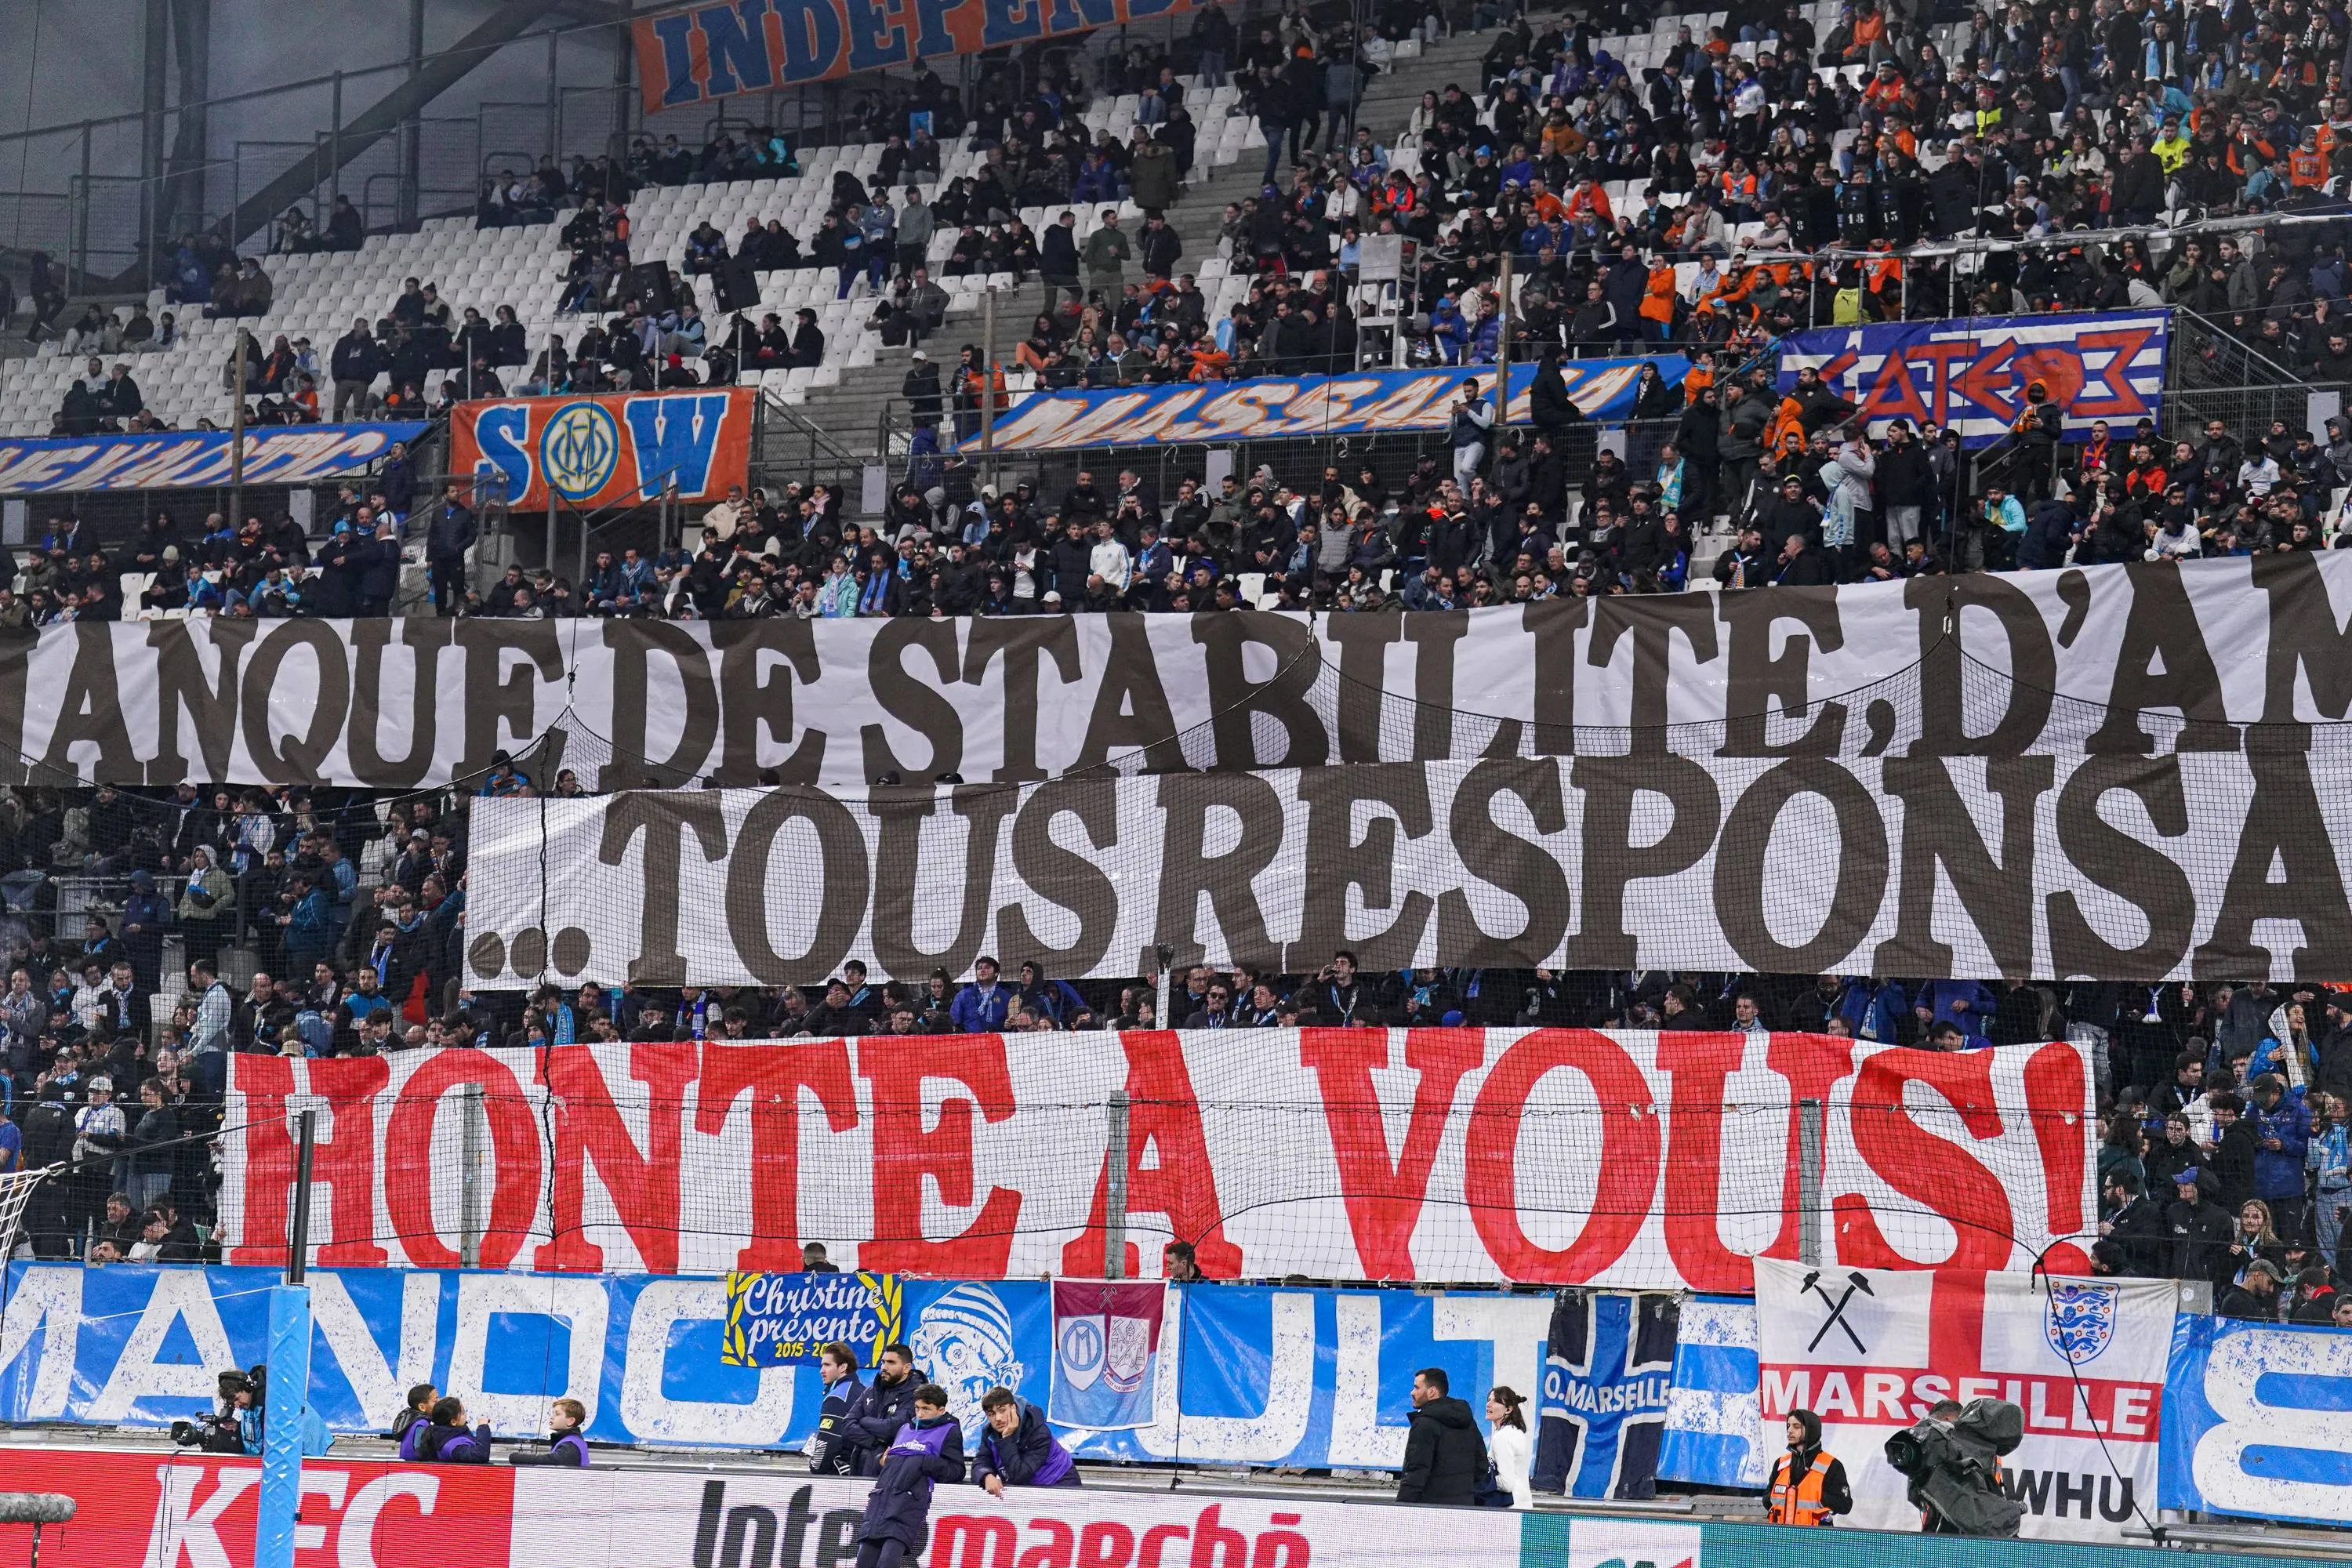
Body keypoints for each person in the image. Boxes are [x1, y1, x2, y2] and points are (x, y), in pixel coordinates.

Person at [853, 1384, 965, 1568]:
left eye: (926, 1409)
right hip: (881, 1499)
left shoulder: (949, 1431)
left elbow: (956, 1470)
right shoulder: (905, 1428)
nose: (920, 1414)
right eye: (917, 1408)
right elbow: (888, 1460)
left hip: (909, 1505)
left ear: (941, 1410)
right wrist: (881, 1460)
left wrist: (924, 1461)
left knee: (888, 1562)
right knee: (864, 1560)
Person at [1397, 1367, 1485, 1505]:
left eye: (1417, 1388)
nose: (1412, 1392)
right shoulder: (1469, 1422)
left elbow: (1416, 1471)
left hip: (1432, 1508)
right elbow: (1481, 1465)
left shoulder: (1424, 1423)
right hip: (1465, 1507)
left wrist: (1402, 1506)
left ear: (1432, 1391)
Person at [971, 1385, 1080, 1490]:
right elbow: (980, 1462)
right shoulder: (989, 1433)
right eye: (991, 1414)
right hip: (1029, 1489)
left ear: (1013, 1408)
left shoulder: (1039, 1433)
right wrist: (986, 1476)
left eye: (1002, 1410)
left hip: (1061, 1483)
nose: (998, 1418)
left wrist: (1006, 1437)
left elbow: (1019, 1476)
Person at [841, 1341, 920, 1475]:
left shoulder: (917, 1396)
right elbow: (846, 1425)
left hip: (893, 1472)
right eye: (883, 1362)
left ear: (907, 1368)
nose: (884, 1367)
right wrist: (874, 1442)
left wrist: (864, 1421)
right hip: (860, 1469)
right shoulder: (870, 1392)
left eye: (891, 1363)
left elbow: (893, 1429)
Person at [1766, 1407, 1852, 1526]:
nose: (1789, 1431)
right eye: (1788, 1426)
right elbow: (1766, 1498)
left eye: (1796, 1426)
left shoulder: (1832, 1466)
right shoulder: (1781, 1464)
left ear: (1811, 1430)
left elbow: (1845, 1505)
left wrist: (1819, 1497)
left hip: (1814, 1536)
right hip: (1780, 1535)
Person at [808, 1341, 867, 1475]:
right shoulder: (863, 1390)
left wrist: (815, 1467)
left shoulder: (838, 1397)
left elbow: (828, 1441)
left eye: (827, 1365)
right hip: (861, 1469)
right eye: (822, 1365)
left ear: (843, 1367)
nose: (822, 1370)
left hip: (841, 1474)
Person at [1485, 1386, 1533, 1509]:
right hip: (1523, 1503)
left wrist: (1483, 1482)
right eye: (1488, 1400)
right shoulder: (1517, 1433)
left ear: (1508, 1409)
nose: (1488, 1405)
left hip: (1509, 1507)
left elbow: (1506, 1484)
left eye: (1495, 1401)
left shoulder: (1502, 1437)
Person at [508, 1397, 590, 1465]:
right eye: (553, 1413)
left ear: (570, 1421)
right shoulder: (574, 1440)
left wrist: (516, 1457)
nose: (552, 1417)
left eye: (557, 1414)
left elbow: (553, 1460)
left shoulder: (571, 1444)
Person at [414, 1396, 495, 1461]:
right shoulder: (452, 1446)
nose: (466, 1415)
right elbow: (480, 1455)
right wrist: (483, 1427)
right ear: (453, 1422)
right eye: (463, 1413)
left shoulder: (455, 1432)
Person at [393, 1382, 438, 1461]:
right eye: (435, 1401)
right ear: (422, 1407)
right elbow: (420, 1452)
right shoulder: (422, 1424)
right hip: (415, 1467)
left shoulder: (412, 1422)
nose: (439, 1404)